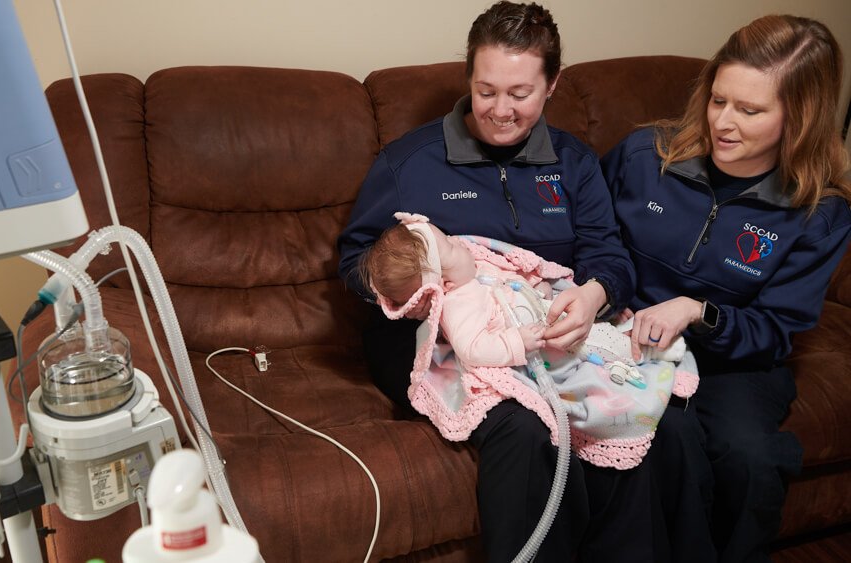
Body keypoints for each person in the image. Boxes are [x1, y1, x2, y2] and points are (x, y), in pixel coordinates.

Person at [338, 3, 651, 561]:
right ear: (469, 78)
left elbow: (610, 254)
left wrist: (594, 294)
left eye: (520, 94)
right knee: (528, 430)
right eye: (486, 91)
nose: (500, 111)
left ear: (552, 85)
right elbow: (356, 262)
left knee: (636, 418)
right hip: (433, 340)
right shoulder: (411, 162)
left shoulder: (574, 163)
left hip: (541, 326)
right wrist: (425, 292)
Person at [601, 14, 851, 563]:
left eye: (751, 110)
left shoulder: (819, 214)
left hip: (733, 359)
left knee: (751, 458)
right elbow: (592, 240)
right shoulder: (645, 155)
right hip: (628, 342)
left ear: (800, 118)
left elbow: (775, 330)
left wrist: (697, 310)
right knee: (666, 442)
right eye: (719, 101)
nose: (724, 123)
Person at [357, 213, 694, 468]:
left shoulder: (473, 263)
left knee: (604, 335)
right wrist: (517, 340)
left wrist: (539, 285)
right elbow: (474, 349)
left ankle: (651, 350)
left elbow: (511, 272)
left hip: (546, 312)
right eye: (446, 247)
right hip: (541, 347)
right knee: (592, 359)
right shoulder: (459, 303)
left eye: (446, 237)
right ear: (440, 280)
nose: (456, 241)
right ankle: (640, 373)